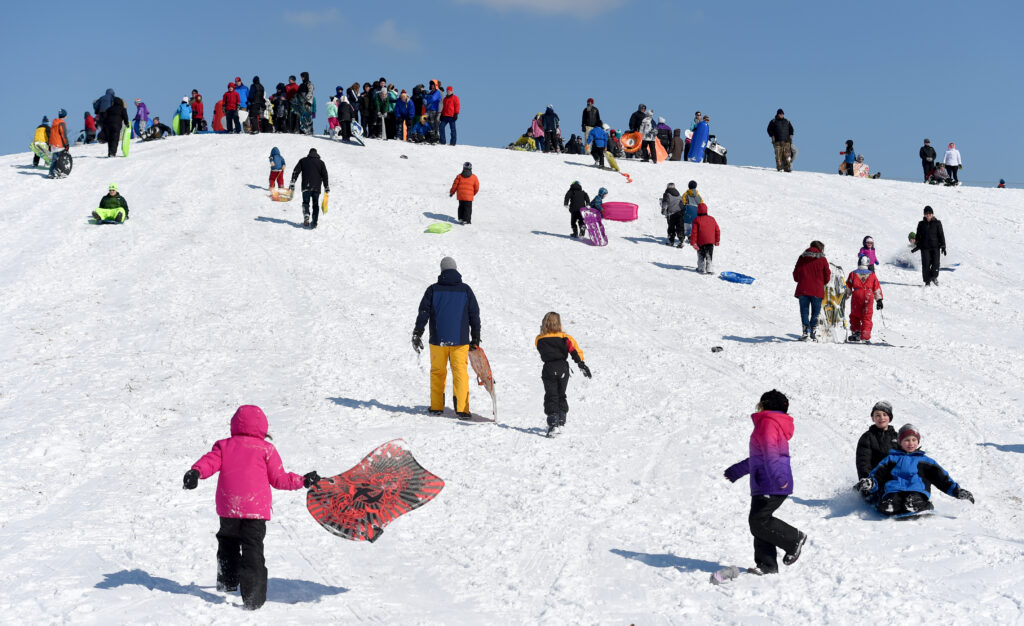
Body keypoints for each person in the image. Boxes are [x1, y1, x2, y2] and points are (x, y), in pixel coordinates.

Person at [182, 404, 319, 610]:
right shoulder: (266, 449)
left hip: (230, 506)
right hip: (256, 509)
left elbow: (209, 462)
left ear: (234, 424)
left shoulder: (224, 446)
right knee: (252, 549)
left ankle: (228, 581)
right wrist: (303, 480)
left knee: (227, 542)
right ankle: (253, 597)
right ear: (263, 427)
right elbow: (279, 479)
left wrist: (195, 472)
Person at [723, 390, 807, 575]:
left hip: (771, 481)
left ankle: (794, 539)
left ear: (765, 404)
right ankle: (766, 565)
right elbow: (759, 456)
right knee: (759, 523)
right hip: (764, 481)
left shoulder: (768, 422)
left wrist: (778, 479)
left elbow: (770, 454)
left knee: (759, 521)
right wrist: (737, 470)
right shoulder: (770, 423)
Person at [411, 257, 481, 418]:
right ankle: (462, 409)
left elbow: (423, 313)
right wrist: (476, 337)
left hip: (438, 340)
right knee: (460, 373)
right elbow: (474, 315)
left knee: (437, 372)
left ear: (442, 270)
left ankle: (436, 406)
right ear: (456, 269)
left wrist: (417, 332)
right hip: (460, 340)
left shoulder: (433, 290)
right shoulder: (466, 290)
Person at [859, 423, 975, 516]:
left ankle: (924, 505)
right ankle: (893, 507)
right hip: (894, 490)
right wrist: (870, 483)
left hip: (916, 491)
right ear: (900, 442)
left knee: (912, 502)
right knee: (887, 506)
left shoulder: (925, 461)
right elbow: (878, 475)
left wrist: (957, 491)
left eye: (914, 440)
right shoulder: (891, 458)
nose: (911, 443)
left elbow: (941, 478)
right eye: (907, 440)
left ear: (918, 441)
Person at [535, 311, 591, 437]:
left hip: (549, 368)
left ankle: (553, 423)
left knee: (551, 395)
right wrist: (581, 364)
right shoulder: (565, 337)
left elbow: (540, 348)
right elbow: (574, 350)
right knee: (561, 393)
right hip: (562, 368)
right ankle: (561, 420)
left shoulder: (539, 339)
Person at [854, 401, 898, 492]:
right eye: (877, 415)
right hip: (875, 481)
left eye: (885, 414)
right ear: (873, 418)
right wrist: (866, 479)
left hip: (895, 479)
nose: (881, 418)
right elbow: (863, 461)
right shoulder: (867, 437)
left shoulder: (897, 437)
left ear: (890, 417)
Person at [793, 240, 831, 341]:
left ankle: (805, 332)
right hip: (817, 290)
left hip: (803, 289)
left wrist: (801, 280)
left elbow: (796, 274)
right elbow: (827, 275)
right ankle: (813, 332)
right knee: (815, 312)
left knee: (804, 312)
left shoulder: (802, 258)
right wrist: (822, 283)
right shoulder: (822, 259)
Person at [287, 148, 329, 229]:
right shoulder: (321, 163)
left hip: (306, 186)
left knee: (306, 203)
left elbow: (296, 171)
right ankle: (314, 222)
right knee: (315, 205)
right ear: (316, 154)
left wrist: (293, 181)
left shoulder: (303, 161)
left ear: (309, 153)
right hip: (316, 188)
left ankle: (306, 214)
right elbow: (325, 175)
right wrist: (326, 186)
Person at [845, 256, 883, 342]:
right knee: (867, 316)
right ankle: (865, 335)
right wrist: (879, 300)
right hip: (868, 295)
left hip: (857, 295)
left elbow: (848, 287)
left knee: (855, 315)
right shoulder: (872, 274)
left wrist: (845, 296)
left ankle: (856, 332)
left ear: (859, 262)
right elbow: (876, 288)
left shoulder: (853, 274)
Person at [911, 206, 946, 286]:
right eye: (926, 213)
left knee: (936, 264)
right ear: (924, 214)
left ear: (932, 214)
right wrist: (918, 244)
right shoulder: (921, 224)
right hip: (925, 248)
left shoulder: (937, 223)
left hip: (935, 247)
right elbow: (918, 236)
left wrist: (943, 246)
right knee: (926, 265)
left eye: (929, 213)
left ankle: (934, 277)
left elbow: (941, 235)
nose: (928, 215)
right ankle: (927, 281)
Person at [690, 203, 721, 274]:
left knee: (701, 255)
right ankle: (709, 269)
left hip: (700, 242)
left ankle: (701, 268)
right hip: (710, 242)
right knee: (709, 255)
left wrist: (693, 243)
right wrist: (717, 240)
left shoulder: (696, 220)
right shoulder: (712, 219)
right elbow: (717, 230)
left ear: (698, 211)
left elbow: (694, 233)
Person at [47, 109, 70, 178]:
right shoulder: (62, 123)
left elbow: (51, 134)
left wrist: (50, 144)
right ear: (64, 116)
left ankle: (51, 172)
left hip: (53, 144)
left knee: (54, 159)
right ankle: (58, 171)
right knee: (60, 159)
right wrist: (66, 144)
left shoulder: (54, 123)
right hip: (59, 144)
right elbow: (63, 134)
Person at [660, 183, 684, 247]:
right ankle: (681, 241)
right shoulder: (678, 194)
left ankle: (671, 241)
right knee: (680, 227)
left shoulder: (667, 194)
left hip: (671, 213)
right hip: (679, 212)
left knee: (671, 228)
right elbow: (681, 203)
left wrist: (663, 210)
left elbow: (665, 202)